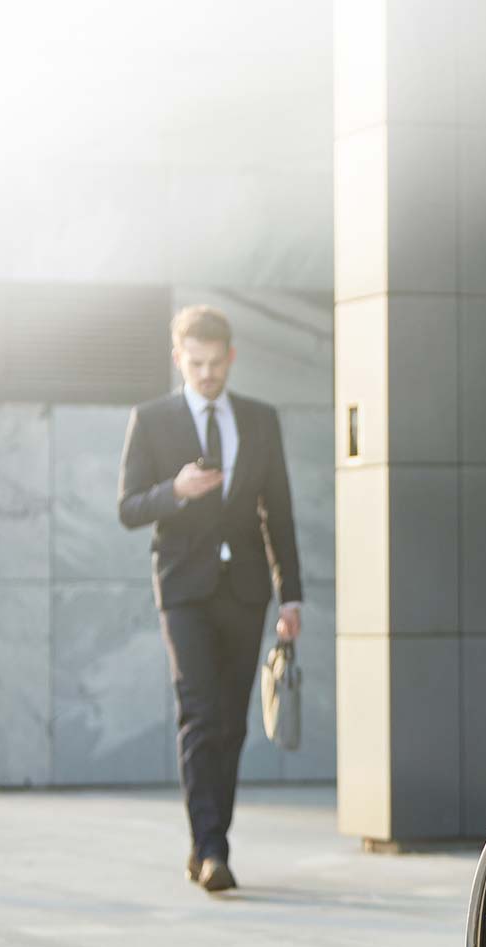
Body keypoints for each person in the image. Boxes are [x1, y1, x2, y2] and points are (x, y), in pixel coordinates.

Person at [118, 305, 303, 894]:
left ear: (231, 358)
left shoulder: (259, 419)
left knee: (231, 722)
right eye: (194, 363)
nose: (205, 373)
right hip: (183, 590)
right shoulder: (150, 420)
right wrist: (174, 490)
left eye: (214, 363)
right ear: (179, 358)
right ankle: (210, 847)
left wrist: (290, 596)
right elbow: (128, 508)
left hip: (246, 591)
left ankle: (211, 838)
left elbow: (279, 511)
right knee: (199, 711)